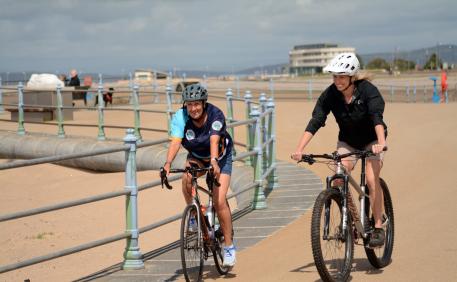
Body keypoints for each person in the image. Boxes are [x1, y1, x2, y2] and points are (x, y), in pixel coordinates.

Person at [291, 53, 388, 248]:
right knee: (338, 178)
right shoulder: (330, 95)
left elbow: (377, 118)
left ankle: (378, 225)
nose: (337, 81)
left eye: (342, 77)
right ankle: (351, 219)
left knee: (371, 179)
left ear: (352, 77)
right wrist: (300, 149)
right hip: (348, 141)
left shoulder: (368, 91)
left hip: (372, 140)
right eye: (335, 76)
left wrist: (381, 142)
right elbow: (316, 120)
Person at [162, 84, 236, 267]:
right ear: (185, 105)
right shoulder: (180, 117)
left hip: (219, 157)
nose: (193, 108)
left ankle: (229, 247)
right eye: (189, 104)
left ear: (203, 103)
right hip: (196, 156)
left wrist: (213, 161)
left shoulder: (215, 115)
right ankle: (195, 214)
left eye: (197, 104)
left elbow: (214, 139)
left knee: (219, 201)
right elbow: (176, 142)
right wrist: (167, 164)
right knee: (186, 179)